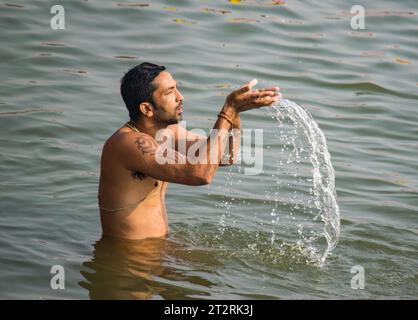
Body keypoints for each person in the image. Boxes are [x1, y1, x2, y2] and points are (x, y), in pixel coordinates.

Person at [98, 62, 280, 240]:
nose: (180, 96)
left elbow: (226, 156)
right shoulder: (127, 143)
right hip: (130, 259)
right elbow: (201, 174)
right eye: (170, 92)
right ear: (147, 108)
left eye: (176, 88)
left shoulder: (168, 132)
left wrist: (235, 115)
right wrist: (227, 111)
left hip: (160, 249)